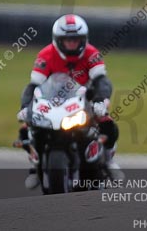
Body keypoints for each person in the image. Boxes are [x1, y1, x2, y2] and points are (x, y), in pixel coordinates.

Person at [16, 14, 120, 188]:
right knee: (26, 129)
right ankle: (35, 166)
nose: (72, 44)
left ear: (84, 40)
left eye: (76, 40)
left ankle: (108, 161)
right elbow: (33, 85)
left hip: (85, 101)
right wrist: (26, 107)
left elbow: (102, 80)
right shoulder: (45, 55)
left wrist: (101, 100)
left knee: (109, 125)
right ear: (57, 40)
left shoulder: (92, 54)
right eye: (67, 40)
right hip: (53, 103)